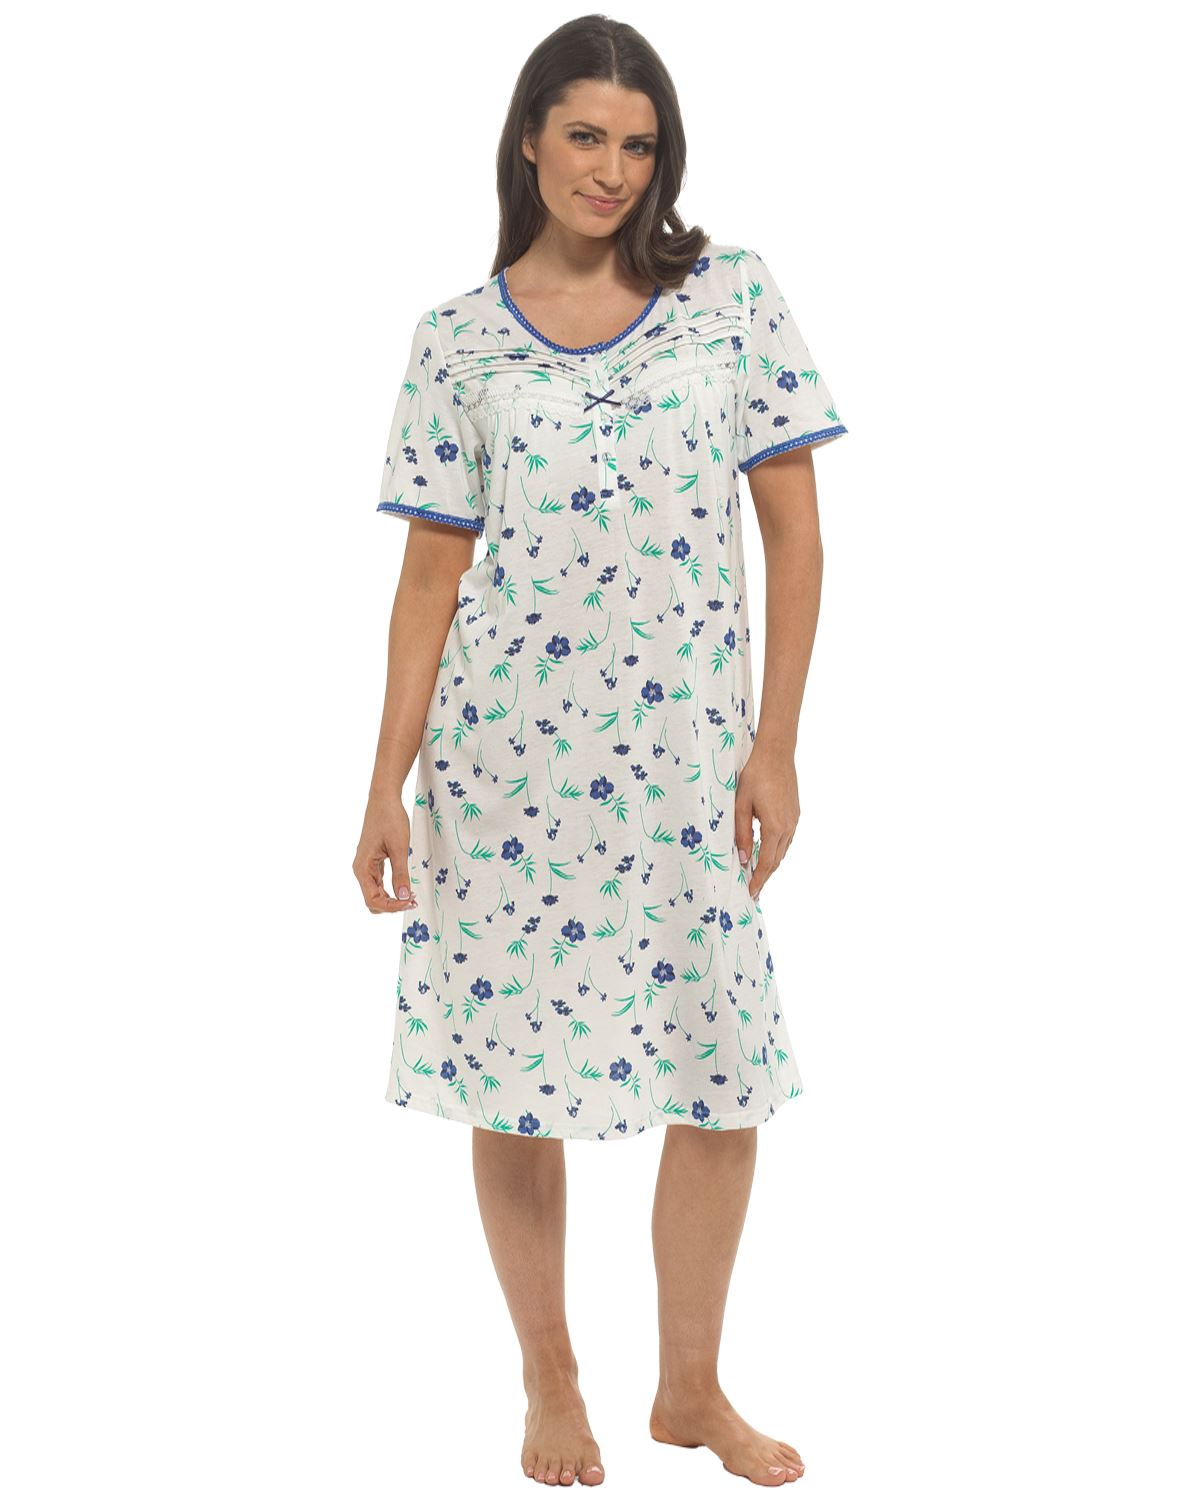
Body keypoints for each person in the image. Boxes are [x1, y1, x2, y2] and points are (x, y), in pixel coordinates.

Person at [353, 14, 848, 1488]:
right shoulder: (455, 336)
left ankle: (690, 1388)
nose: (612, 170)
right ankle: (549, 1376)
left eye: (638, 145)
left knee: (722, 1072)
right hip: (504, 767)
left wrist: (778, 746)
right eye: (585, 136)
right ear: (529, 141)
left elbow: (797, 536)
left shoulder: (731, 297)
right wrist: (381, 783)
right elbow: (430, 576)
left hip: (689, 763)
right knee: (516, 1078)